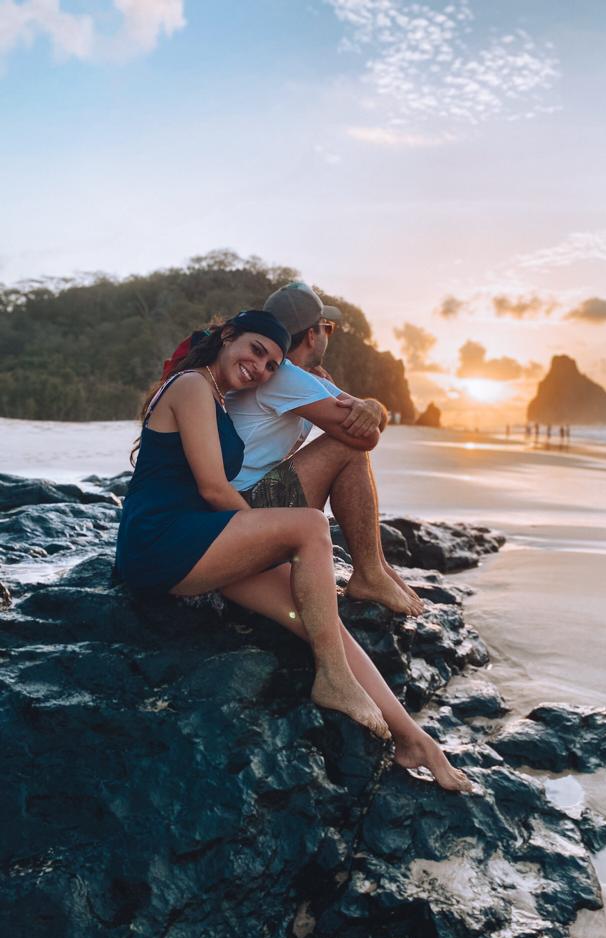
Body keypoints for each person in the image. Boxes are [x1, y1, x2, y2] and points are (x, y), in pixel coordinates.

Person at [118, 309, 471, 791]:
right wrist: (273, 535)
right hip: (161, 543)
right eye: (255, 352)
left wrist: (269, 546)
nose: (260, 369)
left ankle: (413, 739)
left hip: (201, 541)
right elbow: (213, 488)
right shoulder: (192, 387)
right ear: (227, 337)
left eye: (270, 365)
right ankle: (332, 678)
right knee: (308, 527)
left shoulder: (218, 395)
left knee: (318, 618)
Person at [167, 281, 423, 617]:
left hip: (224, 510)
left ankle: (377, 569)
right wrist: (369, 408)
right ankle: (370, 574)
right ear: (313, 335)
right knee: (345, 449)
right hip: (235, 511)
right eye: (326, 327)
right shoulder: (284, 376)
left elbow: (366, 420)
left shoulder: (282, 373)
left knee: (345, 443)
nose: (327, 335)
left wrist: (372, 406)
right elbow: (365, 437)